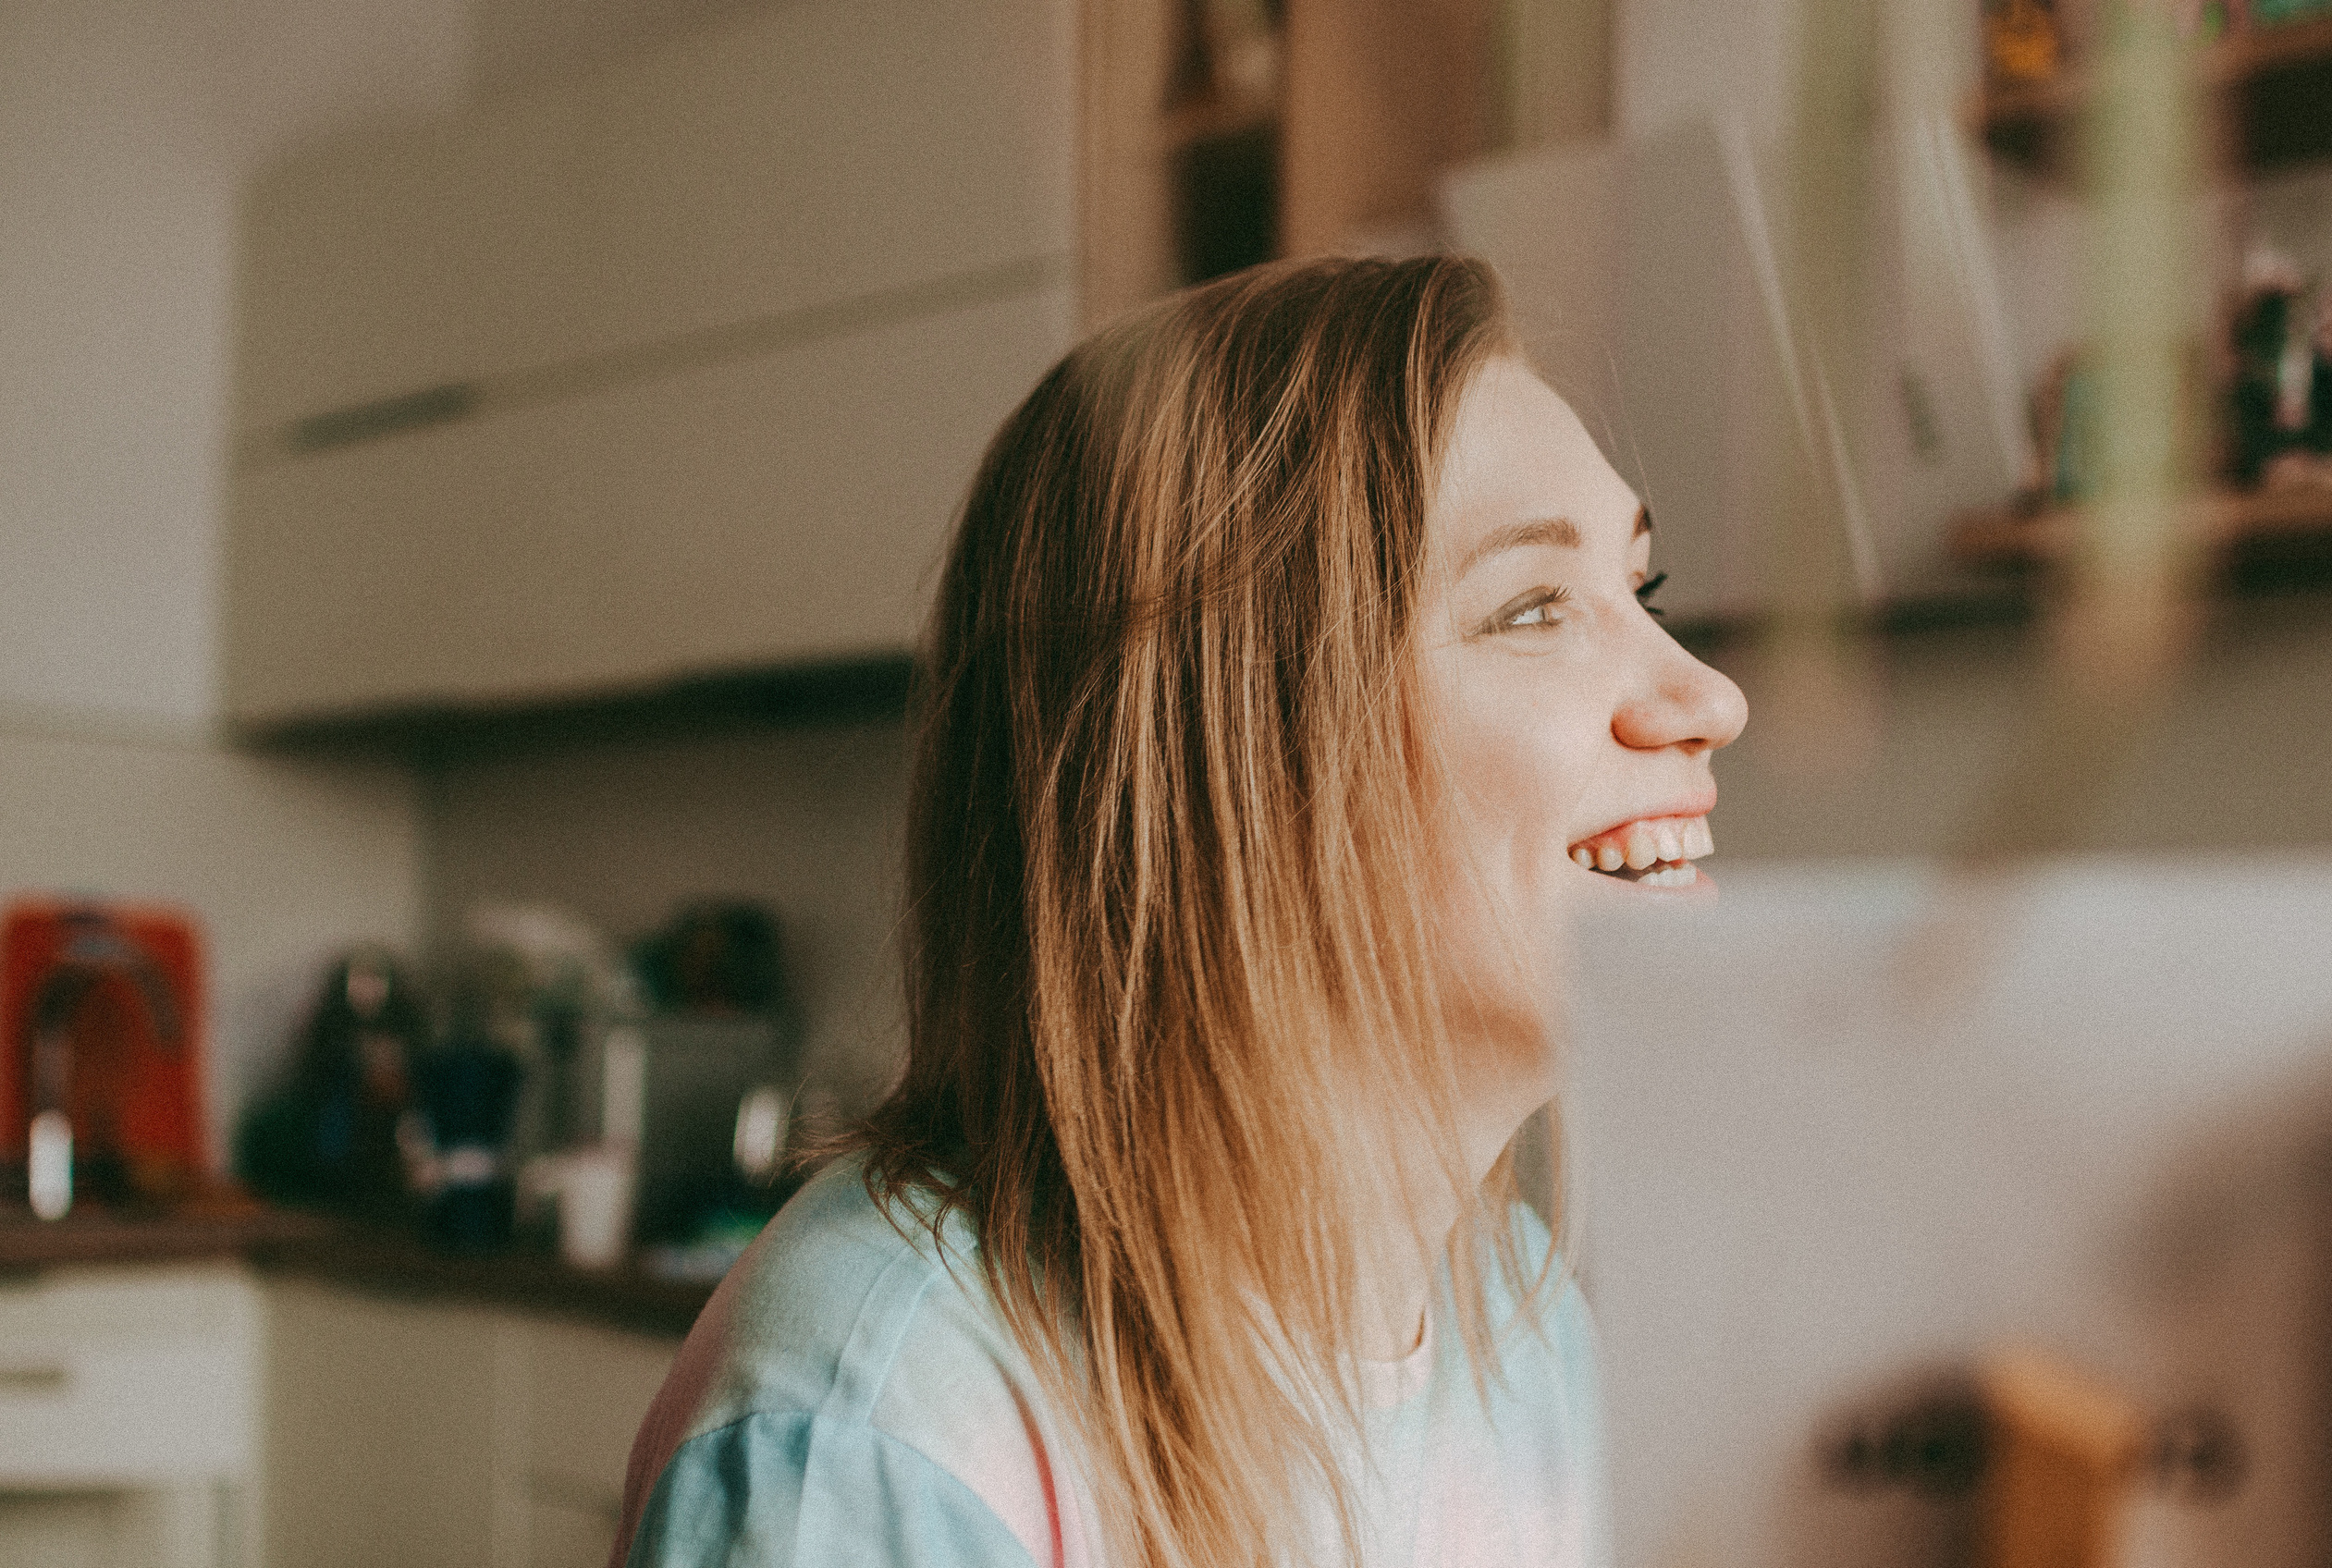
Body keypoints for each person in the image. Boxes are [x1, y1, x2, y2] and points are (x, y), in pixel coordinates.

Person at [608, 255, 1747, 1568]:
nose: (1708, 698)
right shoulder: (879, 1435)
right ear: (1236, 751)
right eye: (1535, 606)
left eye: (1641, 592)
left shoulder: (1521, 1330)